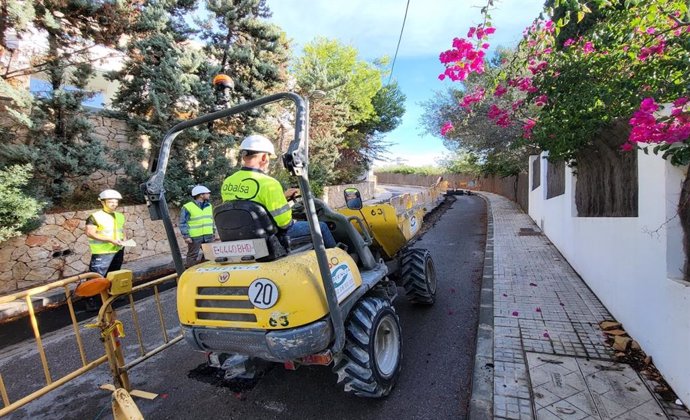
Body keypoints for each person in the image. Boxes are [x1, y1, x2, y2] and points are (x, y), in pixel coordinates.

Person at [221, 134, 336, 248]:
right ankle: (337, 260)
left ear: (244, 155)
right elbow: (284, 223)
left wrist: (283, 196)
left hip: (241, 234)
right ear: (264, 157)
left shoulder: (228, 182)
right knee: (321, 227)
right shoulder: (269, 183)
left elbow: (246, 203)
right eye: (269, 159)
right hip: (269, 236)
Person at [84, 189, 127, 310]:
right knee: (96, 276)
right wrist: (110, 240)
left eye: (116, 201)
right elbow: (90, 233)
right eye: (110, 201)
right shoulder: (95, 217)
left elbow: (121, 230)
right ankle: (90, 300)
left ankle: (112, 294)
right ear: (102, 202)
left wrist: (124, 240)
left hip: (118, 249)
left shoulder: (120, 216)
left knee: (114, 273)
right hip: (102, 252)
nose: (114, 204)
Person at [179, 185, 216, 266]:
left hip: (208, 235)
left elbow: (211, 219)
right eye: (207, 193)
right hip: (195, 236)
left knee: (210, 254)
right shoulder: (187, 207)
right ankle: (191, 272)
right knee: (192, 255)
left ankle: (206, 268)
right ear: (201, 195)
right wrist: (186, 236)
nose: (209, 194)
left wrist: (213, 231)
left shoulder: (209, 206)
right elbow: (183, 222)